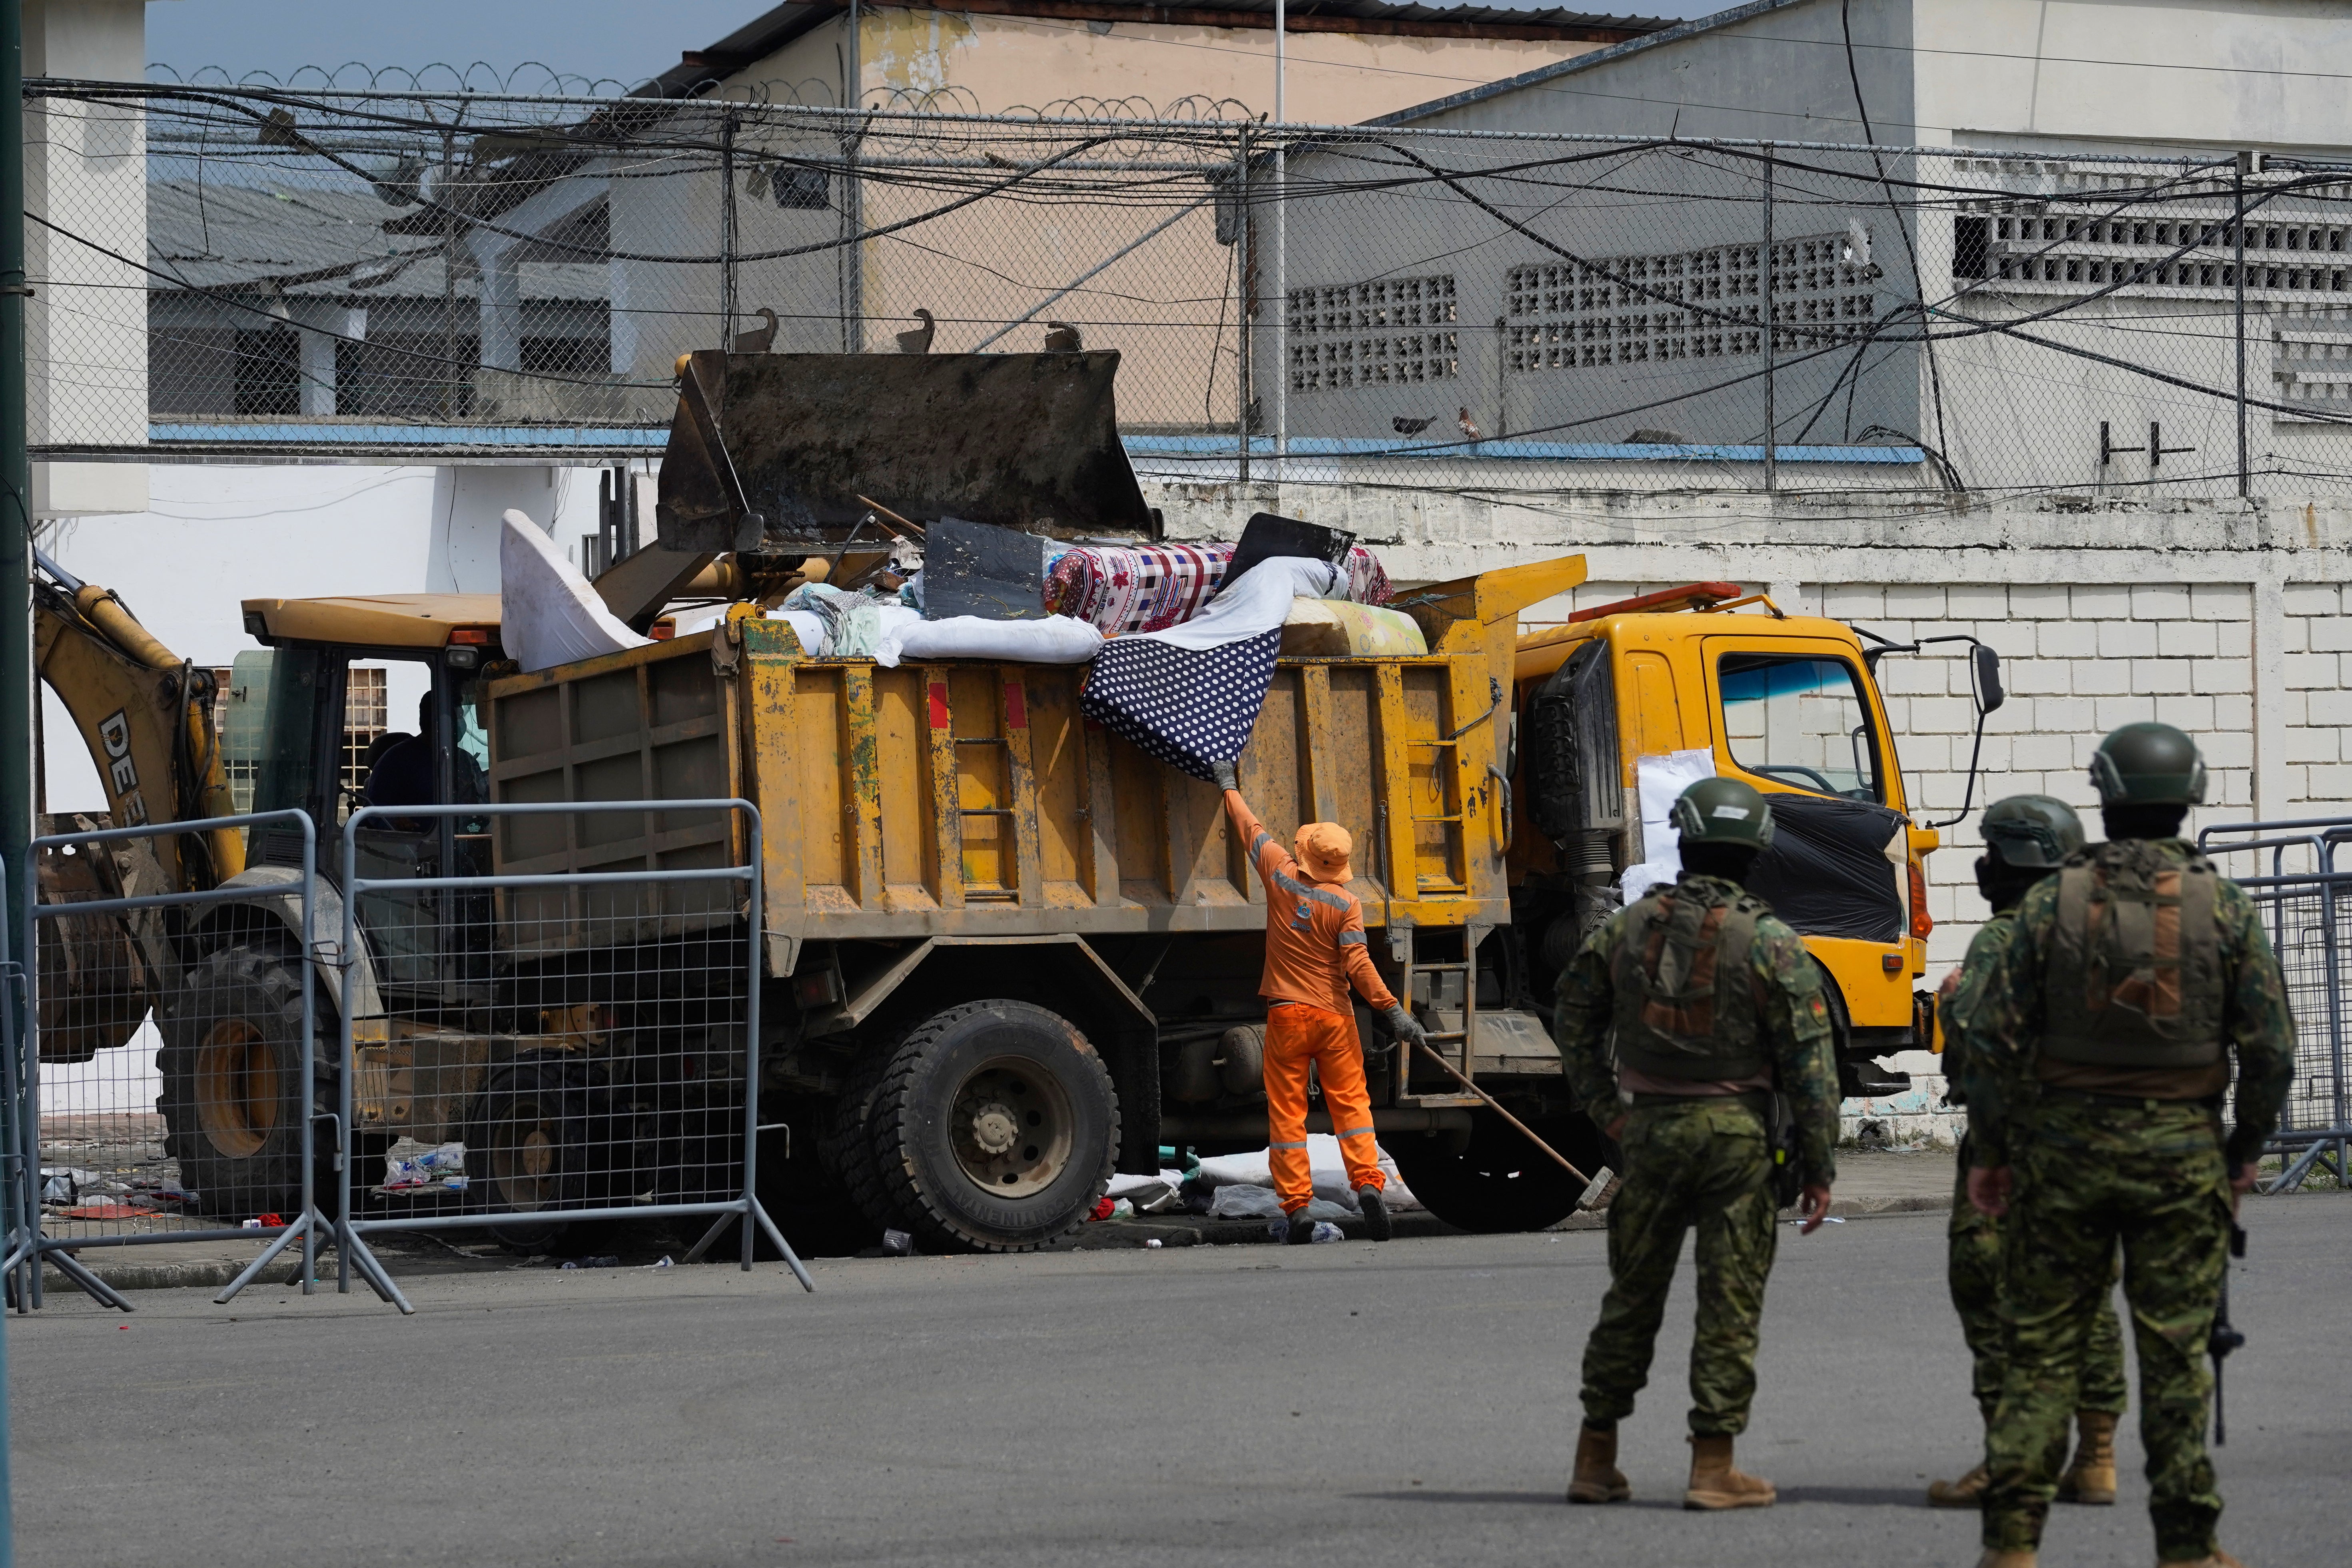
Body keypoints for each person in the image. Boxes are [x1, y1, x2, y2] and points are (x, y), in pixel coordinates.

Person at [1960, 723, 2295, 1568]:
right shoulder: (2221, 904)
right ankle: (2186, 1546)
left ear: (2102, 796)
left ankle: (2009, 1545)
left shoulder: (2047, 902)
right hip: (2180, 1155)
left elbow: (1992, 1040)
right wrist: (2242, 1149)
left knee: (2039, 1349)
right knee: (2176, 1354)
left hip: (2059, 1155)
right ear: (2190, 795)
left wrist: (1997, 1150)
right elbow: (2270, 1046)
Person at [1554, 776, 1837, 1511]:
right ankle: (1712, 1468)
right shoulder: (1771, 941)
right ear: (1758, 851)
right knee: (1727, 1302)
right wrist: (1817, 1163)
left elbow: (1574, 1017)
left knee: (1632, 1296)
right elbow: (1811, 1063)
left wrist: (1605, 1111)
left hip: (1646, 1132)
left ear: (1683, 840)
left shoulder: (1627, 927)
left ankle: (1595, 1457)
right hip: (1737, 1141)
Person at [1930, 794, 2129, 1510]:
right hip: (2098, 1145)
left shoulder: (2004, 938)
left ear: (2012, 859)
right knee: (2088, 1295)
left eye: (1988, 850)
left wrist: (1951, 1003)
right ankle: (2097, 1456)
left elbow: (1983, 1042)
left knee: (1988, 1293)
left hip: (2015, 1145)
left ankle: (2010, 1461)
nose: (1980, 864)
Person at [1213, 758, 1426, 1245]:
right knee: (1352, 1107)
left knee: (1288, 1117)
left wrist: (1228, 785)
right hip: (1335, 1017)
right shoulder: (1347, 904)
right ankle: (1369, 1186)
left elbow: (1251, 828)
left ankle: (1298, 1208)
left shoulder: (1281, 874)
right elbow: (1359, 965)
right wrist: (1393, 1011)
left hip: (1286, 1016)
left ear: (1305, 852)